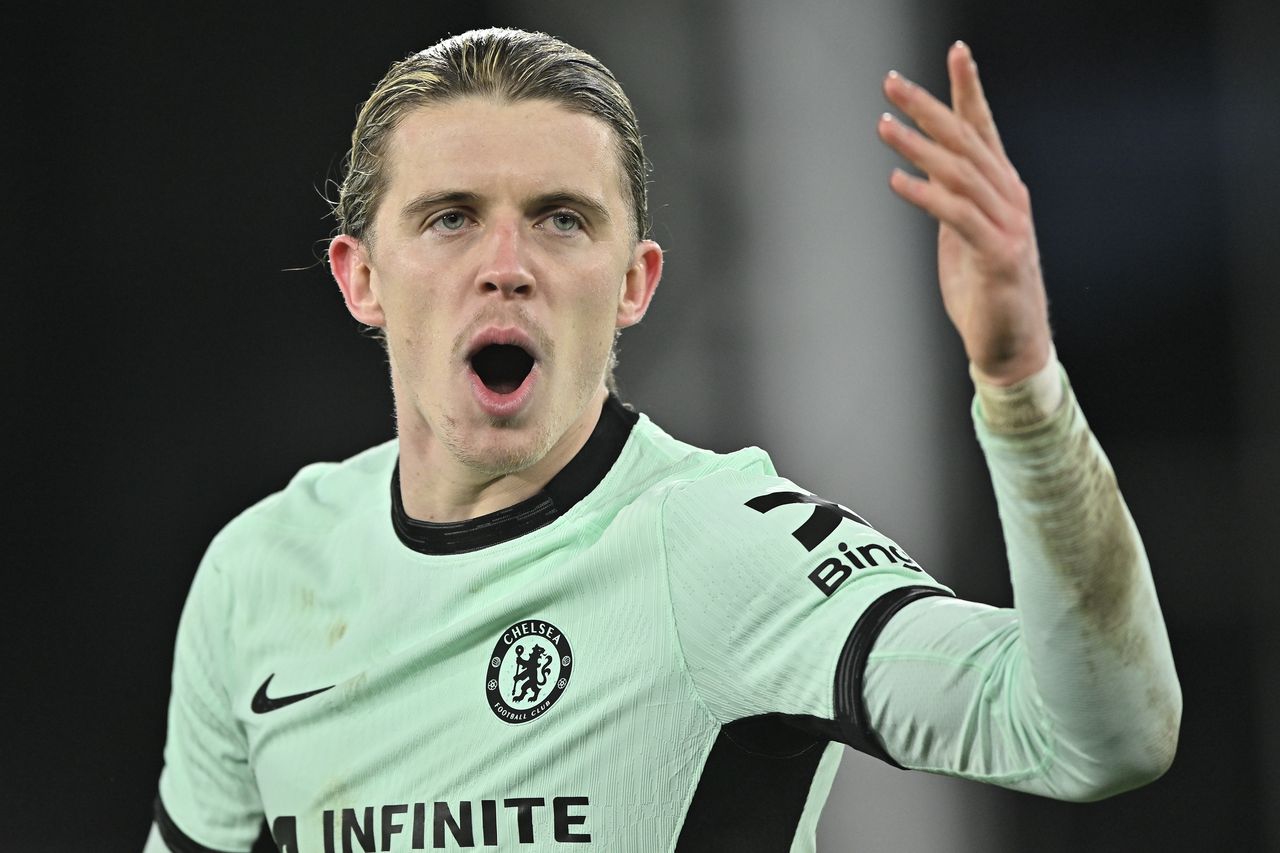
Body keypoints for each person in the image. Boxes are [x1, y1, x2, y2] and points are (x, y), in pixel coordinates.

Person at [144, 27, 1181, 853]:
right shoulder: (259, 573)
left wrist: (1021, 391)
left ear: (633, 282)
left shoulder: (716, 547)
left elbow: (1095, 733)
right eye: (450, 217)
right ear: (359, 276)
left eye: (559, 219)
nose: (505, 264)